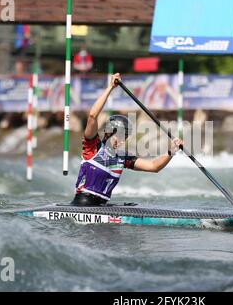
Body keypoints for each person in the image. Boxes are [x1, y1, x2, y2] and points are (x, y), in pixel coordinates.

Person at [71, 73, 183, 206]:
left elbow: (154, 167)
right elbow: (92, 116)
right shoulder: (92, 147)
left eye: (124, 137)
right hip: (82, 204)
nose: (122, 141)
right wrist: (110, 88)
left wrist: (171, 151)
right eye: (119, 136)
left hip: (102, 207)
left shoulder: (122, 158)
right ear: (108, 133)